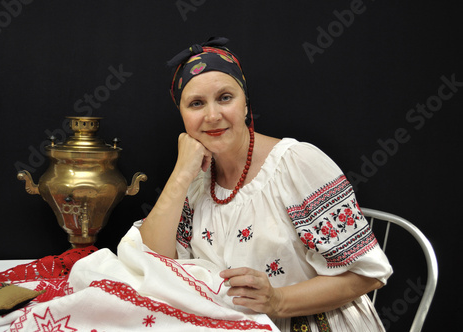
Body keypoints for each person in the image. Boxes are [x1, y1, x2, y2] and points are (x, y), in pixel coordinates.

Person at [138, 37, 393, 331]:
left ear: (246, 103)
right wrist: (181, 174)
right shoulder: (196, 178)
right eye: (196, 103)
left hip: (313, 322)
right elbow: (151, 262)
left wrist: (276, 300)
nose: (212, 115)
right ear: (182, 115)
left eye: (224, 97)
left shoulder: (297, 164)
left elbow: (369, 273)